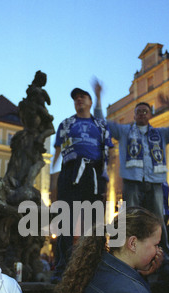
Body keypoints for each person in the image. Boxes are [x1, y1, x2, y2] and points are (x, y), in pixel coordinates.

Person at [93, 79, 169, 270]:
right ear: (135, 115)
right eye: (138, 111)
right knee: (131, 219)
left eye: (145, 111)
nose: (141, 114)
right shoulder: (124, 131)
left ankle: (166, 259)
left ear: (150, 115)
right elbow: (101, 123)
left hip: (155, 182)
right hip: (132, 181)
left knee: (158, 220)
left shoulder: (160, 134)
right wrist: (97, 97)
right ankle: (125, 257)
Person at [51, 87, 114, 282]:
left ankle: (94, 267)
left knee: (94, 222)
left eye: (82, 97)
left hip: (93, 173)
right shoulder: (66, 123)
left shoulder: (100, 125)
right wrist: (52, 178)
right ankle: (62, 267)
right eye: (76, 98)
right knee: (66, 220)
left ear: (90, 101)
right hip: (70, 171)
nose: (78, 100)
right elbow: (57, 152)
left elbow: (109, 154)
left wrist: (107, 181)